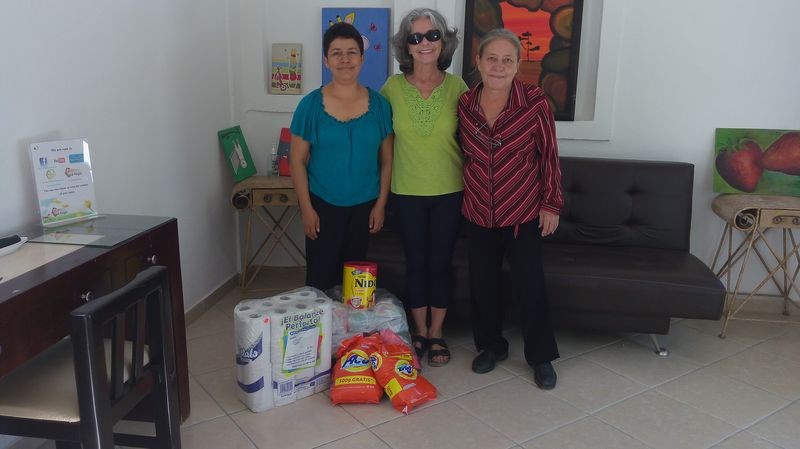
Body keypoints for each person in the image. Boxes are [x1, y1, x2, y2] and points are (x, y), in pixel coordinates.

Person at [457, 28, 562, 389]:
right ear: (478, 62)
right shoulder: (465, 104)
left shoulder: (534, 102)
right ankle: (491, 347)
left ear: (518, 65)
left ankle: (541, 356)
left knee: (530, 285)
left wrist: (551, 203)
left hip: (522, 210)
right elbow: (463, 155)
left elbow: (549, 156)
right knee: (483, 285)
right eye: (491, 59)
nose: (498, 67)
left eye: (507, 60)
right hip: (478, 210)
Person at [380, 8, 468, 367]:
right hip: (407, 191)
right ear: (407, 47)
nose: (425, 43)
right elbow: (381, 144)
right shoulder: (391, 89)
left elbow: (474, 139)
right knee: (416, 262)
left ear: (443, 40)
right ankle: (418, 330)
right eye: (415, 38)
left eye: (432, 35)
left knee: (440, 262)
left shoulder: (458, 87)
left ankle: (437, 332)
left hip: (449, 190)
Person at [290, 22, 393, 292]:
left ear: (362, 57)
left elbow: (387, 159)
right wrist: (306, 210)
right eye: (336, 53)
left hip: (365, 207)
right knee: (321, 282)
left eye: (352, 52)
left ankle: (355, 335)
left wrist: (381, 205)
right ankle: (322, 335)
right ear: (326, 60)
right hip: (322, 206)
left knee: (357, 287)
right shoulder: (310, 106)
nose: (344, 59)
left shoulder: (380, 105)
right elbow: (297, 161)